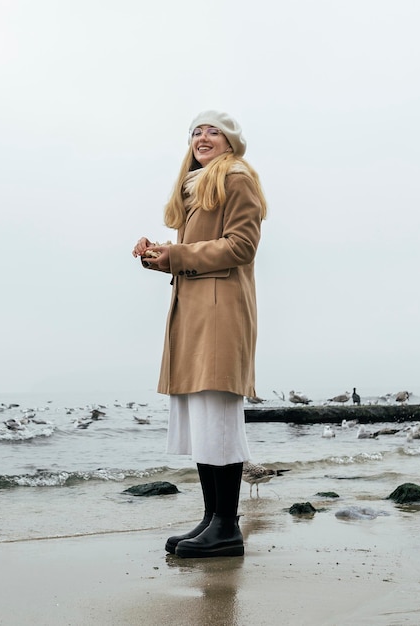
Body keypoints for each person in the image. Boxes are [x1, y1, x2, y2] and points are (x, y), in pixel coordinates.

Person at [132, 110, 267, 558]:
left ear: (230, 142)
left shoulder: (237, 178)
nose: (203, 136)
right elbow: (195, 254)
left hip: (220, 313)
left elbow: (241, 246)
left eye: (214, 131)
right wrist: (160, 256)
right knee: (203, 423)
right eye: (196, 131)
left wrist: (178, 252)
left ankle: (227, 527)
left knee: (219, 420)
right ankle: (213, 519)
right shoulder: (196, 186)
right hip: (196, 313)